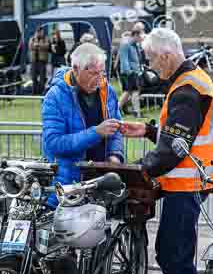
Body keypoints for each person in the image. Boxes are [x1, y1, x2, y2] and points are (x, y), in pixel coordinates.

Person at [119, 27, 213, 274]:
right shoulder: (186, 80)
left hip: (188, 180)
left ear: (166, 55)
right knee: (170, 250)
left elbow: (175, 145)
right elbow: (176, 132)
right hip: (188, 179)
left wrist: (141, 169)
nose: (150, 66)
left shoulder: (188, 87)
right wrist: (149, 130)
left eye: (150, 59)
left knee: (175, 252)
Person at [42, 42, 124, 208]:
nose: (99, 79)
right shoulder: (55, 96)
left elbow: (116, 129)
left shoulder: (107, 90)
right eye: (93, 73)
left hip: (100, 182)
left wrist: (116, 155)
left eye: (102, 73)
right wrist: (96, 132)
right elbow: (54, 143)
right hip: (68, 184)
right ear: (76, 68)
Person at [117, 31, 142, 117]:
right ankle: (136, 112)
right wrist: (129, 72)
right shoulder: (126, 44)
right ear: (135, 35)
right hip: (129, 72)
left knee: (130, 92)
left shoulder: (135, 45)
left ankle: (136, 112)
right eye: (139, 37)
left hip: (135, 71)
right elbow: (124, 60)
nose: (140, 39)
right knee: (131, 92)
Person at [29, 27, 50, 95]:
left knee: (42, 78)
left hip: (42, 61)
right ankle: (34, 92)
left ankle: (41, 92)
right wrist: (36, 45)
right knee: (33, 77)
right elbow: (30, 46)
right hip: (34, 60)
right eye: (39, 32)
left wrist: (38, 45)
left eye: (41, 32)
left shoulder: (45, 38)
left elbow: (47, 46)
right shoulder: (32, 38)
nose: (41, 33)